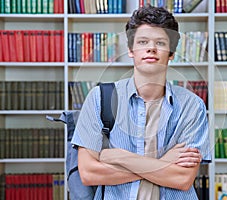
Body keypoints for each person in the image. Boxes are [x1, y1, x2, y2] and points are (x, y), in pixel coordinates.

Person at [71, 4, 210, 200]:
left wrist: (118, 157)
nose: (151, 49)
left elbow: (183, 178)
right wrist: (163, 163)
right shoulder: (100, 98)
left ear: (171, 53)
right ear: (131, 49)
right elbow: (89, 173)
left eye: (160, 43)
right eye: (143, 41)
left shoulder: (192, 106)